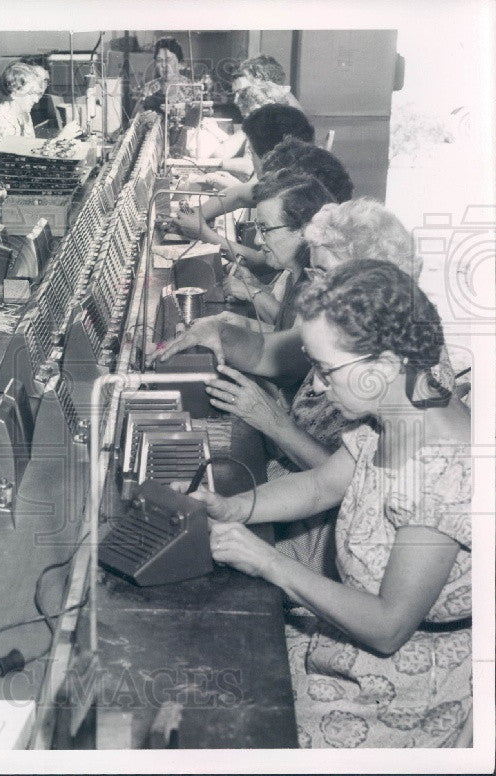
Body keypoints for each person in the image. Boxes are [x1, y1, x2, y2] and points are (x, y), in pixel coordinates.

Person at [197, 260, 471, 747]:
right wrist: (235, 506)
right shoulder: (397, 411)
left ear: (385, 365)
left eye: (326, 370)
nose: (318, 386)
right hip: (343, 640)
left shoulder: (443, 471)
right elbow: (321, 486)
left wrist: (267, 562)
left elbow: (388, 626)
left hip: (400, 691)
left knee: (226, 724)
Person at [202, 199, 456, 575]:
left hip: (327, 532)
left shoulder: (403, 383)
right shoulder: (349, 338)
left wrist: (273, 423)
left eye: (323, 272)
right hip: (303, 496)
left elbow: (352, 494)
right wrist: (215, 331)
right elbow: (329, 479)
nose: (311, 283)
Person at [170, 136, 352, 268]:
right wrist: (197, 215)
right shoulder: (291, 186)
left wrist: (204, 233)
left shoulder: (318, 254)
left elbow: (264, 260)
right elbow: (240, 194)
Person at [220, 169, 337, 328]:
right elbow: (288, 335)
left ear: (304, 230)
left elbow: (293, 347)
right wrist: (242, 324)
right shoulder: (293, 272)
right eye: (257, 228)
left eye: (265, 229)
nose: (257, 240)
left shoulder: (319, 289)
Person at [0, 60, 49, 201]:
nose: (36, 100)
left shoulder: (25, 115)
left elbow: (30, 152)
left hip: (7, 181)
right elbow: (18, 158)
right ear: (14, 92)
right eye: (31, 94)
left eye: (37, 93)